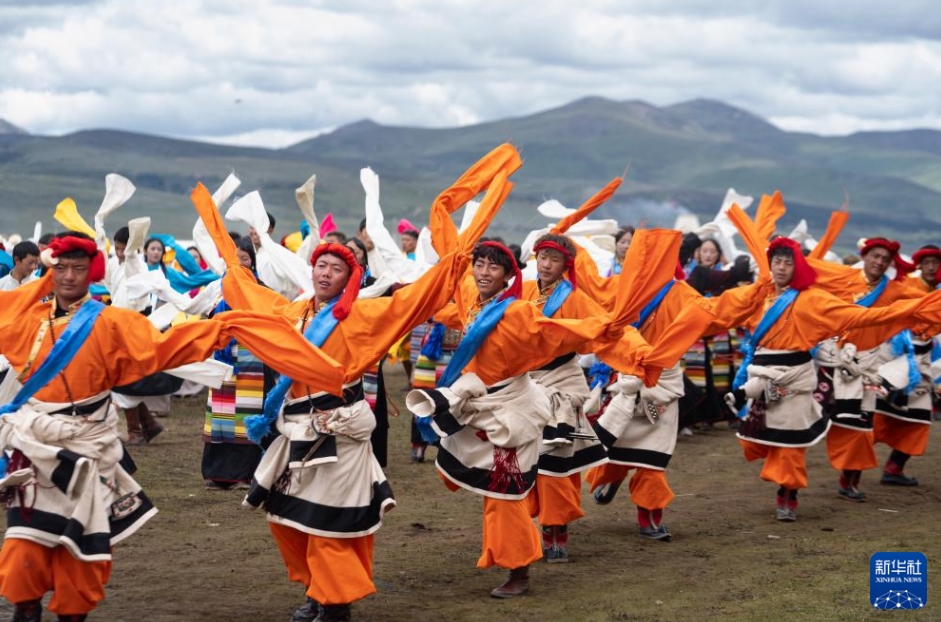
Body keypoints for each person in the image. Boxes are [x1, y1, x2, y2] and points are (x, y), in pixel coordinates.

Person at [190, 144, 515, 621]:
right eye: (320, 265)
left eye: (335, 268)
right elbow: (248, 293)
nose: (324, 272)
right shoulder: (292, 312)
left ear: (349, 279)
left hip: (339, 428)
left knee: (327, 522)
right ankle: (317, 591)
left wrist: (452, 265)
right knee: (286, 518)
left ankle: (334, 603)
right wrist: (229, 254)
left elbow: (413, 303)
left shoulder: (366, 315)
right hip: (292, 429)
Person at [0, 231, 341, 622]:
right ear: (50, 272)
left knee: (83, 554)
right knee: (23, 550)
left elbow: (163, 346)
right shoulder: (27, 319)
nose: (70, 277)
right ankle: (24, 608)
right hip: (35, 444)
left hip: (88, 443)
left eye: (80, 268)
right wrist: (39, 283)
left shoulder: (112, 323)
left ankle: (72, 613)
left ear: (90, 273)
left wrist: (221, 328)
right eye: (61, 269)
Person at [727, 237, 941, 521]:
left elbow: (898, 308)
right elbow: (722, 311)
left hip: (857, 365)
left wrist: (927, 307)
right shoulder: (828, 279)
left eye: (884, 259)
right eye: (874, 256)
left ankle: (803, 489)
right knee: (758, 436)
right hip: (816, 364)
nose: (878, 262)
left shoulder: (888, 291)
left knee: (855, 429)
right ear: (863, 256)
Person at [522, 234, 607, 562]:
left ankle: (558, 530)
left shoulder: (576, 298)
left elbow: (597, 330)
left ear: (565, 265)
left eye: (553, 259)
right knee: (530, 458)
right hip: (528, 381)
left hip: (562, 381)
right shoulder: (524, 293)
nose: (545, 264)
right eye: (542, 257)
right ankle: (538, 526)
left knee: (559, 461)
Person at [202, 238, 273, 490]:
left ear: (252, 261)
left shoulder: (262, 290)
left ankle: (246, 473)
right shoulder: (219, 288)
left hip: (251, 361)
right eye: (236, 259)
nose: (241, 263)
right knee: (220, 416)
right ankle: (219, 474)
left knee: (247, 416)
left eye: (245, 258)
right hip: (223, 360)